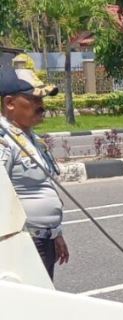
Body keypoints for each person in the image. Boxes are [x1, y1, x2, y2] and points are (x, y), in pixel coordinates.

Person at [0, 56, 67, 279]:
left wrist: (55, 233)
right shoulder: (5, 142)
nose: (41, 105)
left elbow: (44, 186)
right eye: (34, 99)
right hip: (24, 243)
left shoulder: (31, 139)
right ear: (10, 103)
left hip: (43, 238)